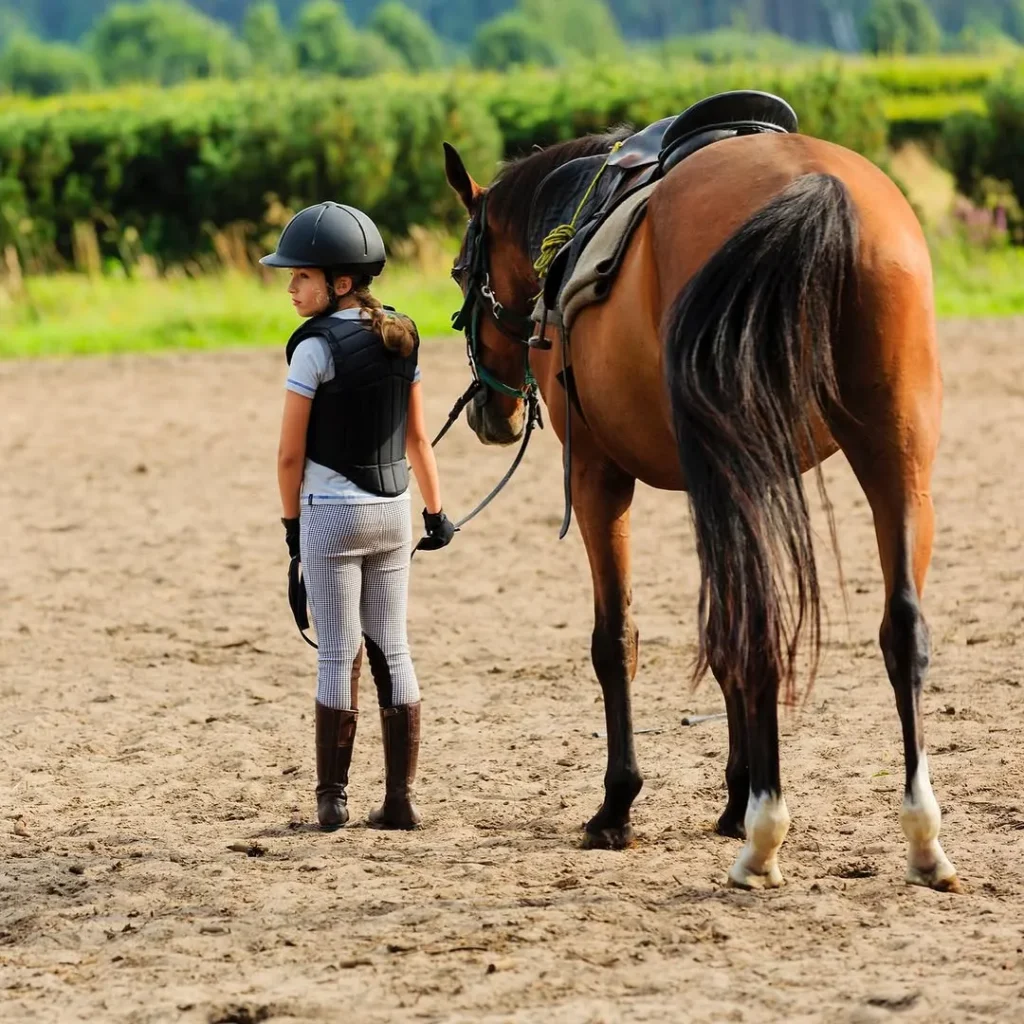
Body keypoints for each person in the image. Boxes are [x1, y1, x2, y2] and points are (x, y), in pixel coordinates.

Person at [261, 201, 455, 832]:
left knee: (336, 650)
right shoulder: (403, 333)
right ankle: (400, 798)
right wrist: (437, 511)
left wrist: (292, 529)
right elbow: (417, 440)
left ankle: (331, 799)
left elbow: (290, 454)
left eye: (302, 277)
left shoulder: (313, 350)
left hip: (330, 511)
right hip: (394, 510)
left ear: (341, 282)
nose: (290, 287)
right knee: (393, 648)